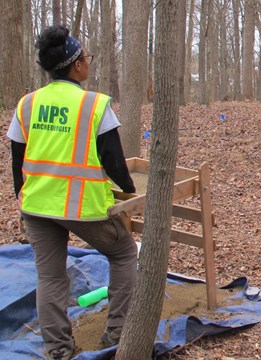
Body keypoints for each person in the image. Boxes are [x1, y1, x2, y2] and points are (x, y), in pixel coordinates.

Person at [6, 25, 137, 360]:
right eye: (85, 58)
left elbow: (18, 159)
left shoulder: (28, 103)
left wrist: (24, 197)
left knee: (49, 278)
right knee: (123, 255)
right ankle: (118, 334)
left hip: (37, 206)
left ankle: (58, 350)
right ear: (76, 65)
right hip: (82, 207)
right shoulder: (94, 105)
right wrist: (130, 191)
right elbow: (114, 161)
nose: (88, 63)